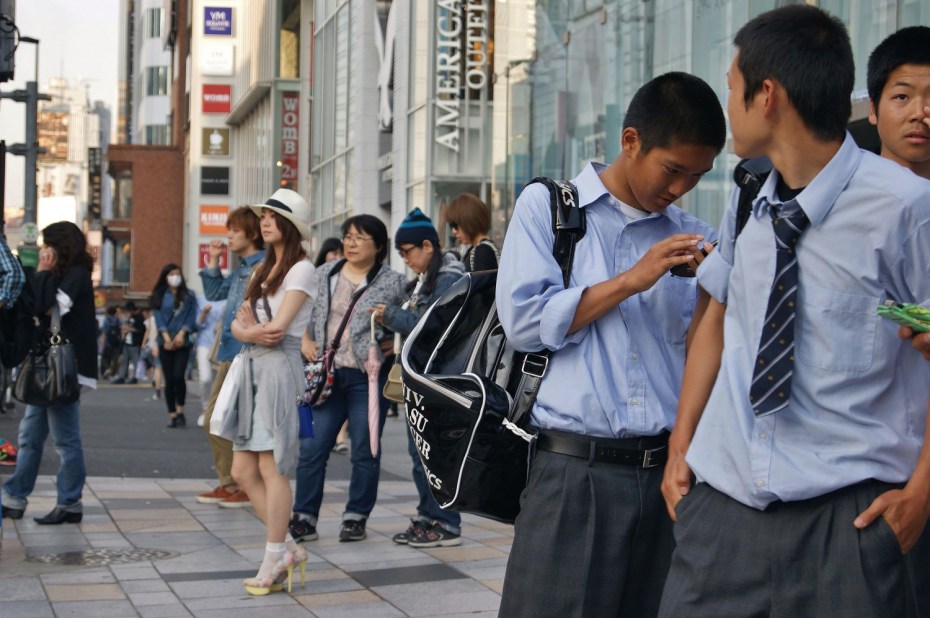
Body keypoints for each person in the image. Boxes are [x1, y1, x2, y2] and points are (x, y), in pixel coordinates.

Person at [658, 7, 930, 617]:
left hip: (849, 521)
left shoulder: (907, 208)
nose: (728, 101)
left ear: (768, 95)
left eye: (732, 86)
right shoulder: (749, 192)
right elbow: (717, 322)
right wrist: (681, 445)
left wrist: (920, 495)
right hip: (722, 514)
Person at [495, 71, 725, 616]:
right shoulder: (550, 208)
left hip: (669, 473)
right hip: (575, 473)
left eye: (696, 176)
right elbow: (525, 322)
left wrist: (721, 294)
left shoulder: (695, 237)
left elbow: (705, 355)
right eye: (672, 170)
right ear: (631, 141)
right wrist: (630, 280)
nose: (680, 188)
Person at [290, 215, 405, 544]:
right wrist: (305, 340)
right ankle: (304, 516)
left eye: (360, 238)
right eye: (348, 237)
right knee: (312, 447)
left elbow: (411, 320)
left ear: (379, 245)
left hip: (367, 379)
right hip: (324, 378)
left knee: (365, 451)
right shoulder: (323, 274)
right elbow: (302, 313)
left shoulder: (394, 282)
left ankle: (356, 517)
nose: (351, 243)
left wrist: (392, 343)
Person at [225, 189, 316, 595]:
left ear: (290, 225)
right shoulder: (263, 268)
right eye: (263, 215)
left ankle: (273, 555)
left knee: (271, 466)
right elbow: (237, 326)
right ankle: (288, 549)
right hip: (253, 369)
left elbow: (276, 330)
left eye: (273, 216)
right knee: (241, 471)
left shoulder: (301, 269)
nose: (263, 222)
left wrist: (249, 329)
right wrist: (249, 331)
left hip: (280, 371)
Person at [868, 26, 930, 618]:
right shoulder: (840, 209)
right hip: (870, 477)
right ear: (875, 107)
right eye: (903, 95)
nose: (921, 113)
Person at [373, 208, 466, 548]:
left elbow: (432, 330)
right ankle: (428, 516)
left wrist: (390, 316)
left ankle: (446, 523)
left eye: (407, 251)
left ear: (427, 245)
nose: (406, 259)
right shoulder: (425, 279)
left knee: (433, 454)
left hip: (437, 380)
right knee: (420, 454)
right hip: (422, 379)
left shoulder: (447, 278)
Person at [1, 222, 98, 524]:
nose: (45, 251)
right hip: (50, 366)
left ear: (60, 247)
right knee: (30, 436)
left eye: (48, 245)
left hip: (65, 369)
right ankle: (15, 496)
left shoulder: (78, 275)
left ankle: (69, 503)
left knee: (65, 439)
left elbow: (48, 308)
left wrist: (42, 271)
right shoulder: (63, 275)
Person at [197, 206, 265, 508]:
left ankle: (239, 484)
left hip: (246, 353)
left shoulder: (264, 266)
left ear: (252, 233)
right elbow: (214, 293)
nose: (228, 235)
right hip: (231, 353)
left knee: (222, 419)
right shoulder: (242, 268)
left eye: (235, 230)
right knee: (220, 420)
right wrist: (212, 261)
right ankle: (232, 483)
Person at [313, 237, 350, 452]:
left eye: (339, 253)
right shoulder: (318, 277)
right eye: (332, 253)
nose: (336, 257)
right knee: (317, 395)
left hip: (344, 352)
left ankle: (340, 437)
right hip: (319, 351)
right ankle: (322, 435)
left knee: (339, 395)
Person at [151, 264, 198, 428]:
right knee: (169, 379)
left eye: (177, 273)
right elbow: (158, 318)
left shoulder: (189, 295)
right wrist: (165, 338)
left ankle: (181, 410)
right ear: (165, 276)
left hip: (183, 340)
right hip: (164, 340)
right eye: (171, 273)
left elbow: (192, 317)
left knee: (179, 376)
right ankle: (172, 414)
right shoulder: (159, 295)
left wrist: (182, 333)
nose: (175, 276)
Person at [444, 193, 499, 271]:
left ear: (469, 220)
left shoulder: (483, 251)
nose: (454, 231)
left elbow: (484, 282)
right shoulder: (479, 249)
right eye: (451, 226)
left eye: (455, 225)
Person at [193, 294, 225, 427]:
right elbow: (196, 323)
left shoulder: (229, 296)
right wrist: (204, 314)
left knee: (220, 380)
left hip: (222, 343)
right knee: (205, 378)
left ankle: (218, 412)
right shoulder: (199, 299)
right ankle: (205, 409)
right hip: (204, 343)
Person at [113, 301, 144, 384]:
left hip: (135, 343)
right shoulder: (130, 317)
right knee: (124, 360)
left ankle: (135, 377)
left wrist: (130, 329)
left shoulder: (139, 318)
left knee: (135, 361)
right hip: (127, 342)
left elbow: (141, 330)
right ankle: (121, 376)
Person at [101, 306, 122, 379]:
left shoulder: (106, 321)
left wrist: (103, 344)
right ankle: (113, 373)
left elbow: (104, 333)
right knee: (115, 358)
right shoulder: (118, 320)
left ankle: (107, 369)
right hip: (116, 342)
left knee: (105, 358)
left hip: (108, 342)